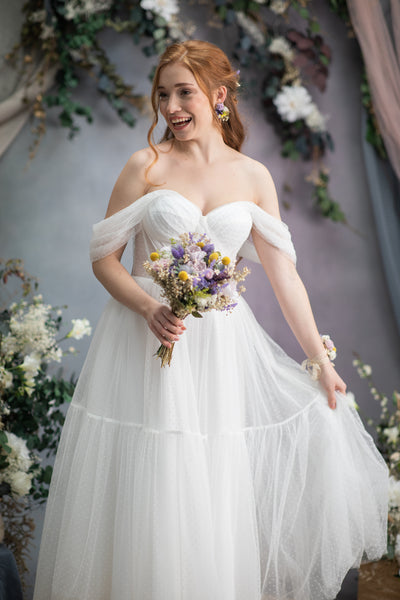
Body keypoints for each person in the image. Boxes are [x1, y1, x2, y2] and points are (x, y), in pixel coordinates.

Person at [33, 40, 388, 600]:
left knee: (212, 474)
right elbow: (103, 260)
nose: (171, 107)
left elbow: (284, 277)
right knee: (151, 472)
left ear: (218, 96)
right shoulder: (144, 166)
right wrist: (150, 306)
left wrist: (321, 362)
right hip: (142, 339)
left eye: (184, 92)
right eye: (163, 94)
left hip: (219, 349)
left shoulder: (252, 176)